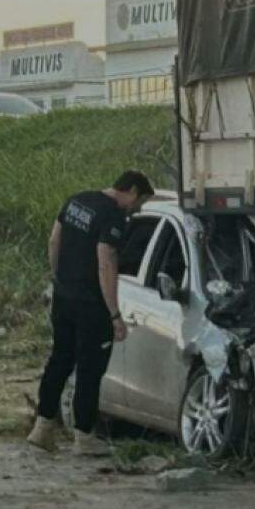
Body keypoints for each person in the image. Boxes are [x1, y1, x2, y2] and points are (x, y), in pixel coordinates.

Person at [27, 170, 155, 456]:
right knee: (89, 369)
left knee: (59, 359)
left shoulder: (77, 200)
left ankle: (42, 427)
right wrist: (114, 314)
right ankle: (84, 436)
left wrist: (59, 278)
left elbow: (53, 241)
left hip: (64, 296)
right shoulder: (112, 215)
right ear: (132, 191)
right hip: (91, 305)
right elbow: (106, 261)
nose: (136, 210)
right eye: (139, 203)